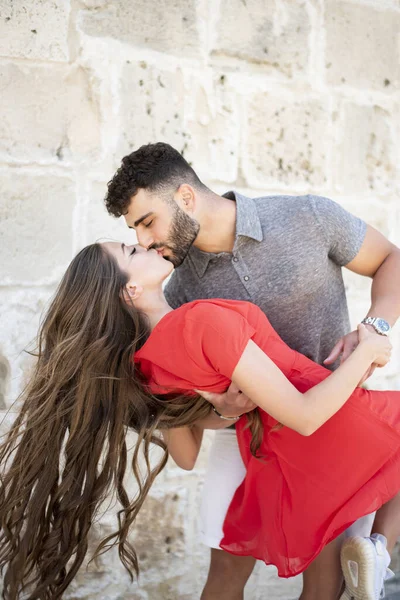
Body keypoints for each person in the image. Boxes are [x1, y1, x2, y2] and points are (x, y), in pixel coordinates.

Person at [0, 240, 398, 600]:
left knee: (317, 584)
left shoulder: (147, 365)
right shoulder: (199, 322)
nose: (142, 244)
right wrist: (368, 351)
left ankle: (376, 549)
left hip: (276, 450)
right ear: (130, 291)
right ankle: (378, 547)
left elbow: (186, 456)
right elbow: (306, 416)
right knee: (325, 588)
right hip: (327, 414)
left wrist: (225, 410)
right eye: (131, 250)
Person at [104, 142, 400, 600]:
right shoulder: (178, 290)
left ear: (185, 197)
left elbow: (391, 259)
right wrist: (218, 409)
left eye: (147, 222)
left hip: (335, 419)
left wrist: (372, 327)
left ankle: (378, 548)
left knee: (326, 582)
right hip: (245, 436)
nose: (145, 240)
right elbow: (188, 410)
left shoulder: (310, 217)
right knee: (225, 572)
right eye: (135, 233)